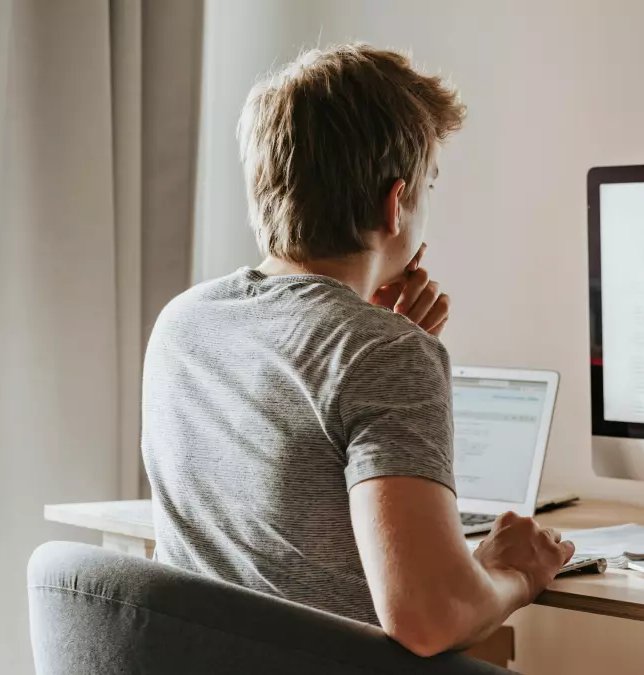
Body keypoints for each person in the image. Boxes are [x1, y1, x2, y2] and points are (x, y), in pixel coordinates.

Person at [141, 44, 574, 658]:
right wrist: (515, 573)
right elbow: (428, 619)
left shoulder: (182, 324)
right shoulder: (381, 352)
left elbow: (289, 528)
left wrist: (380, 338)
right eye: (428, 186)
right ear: (395, 204)